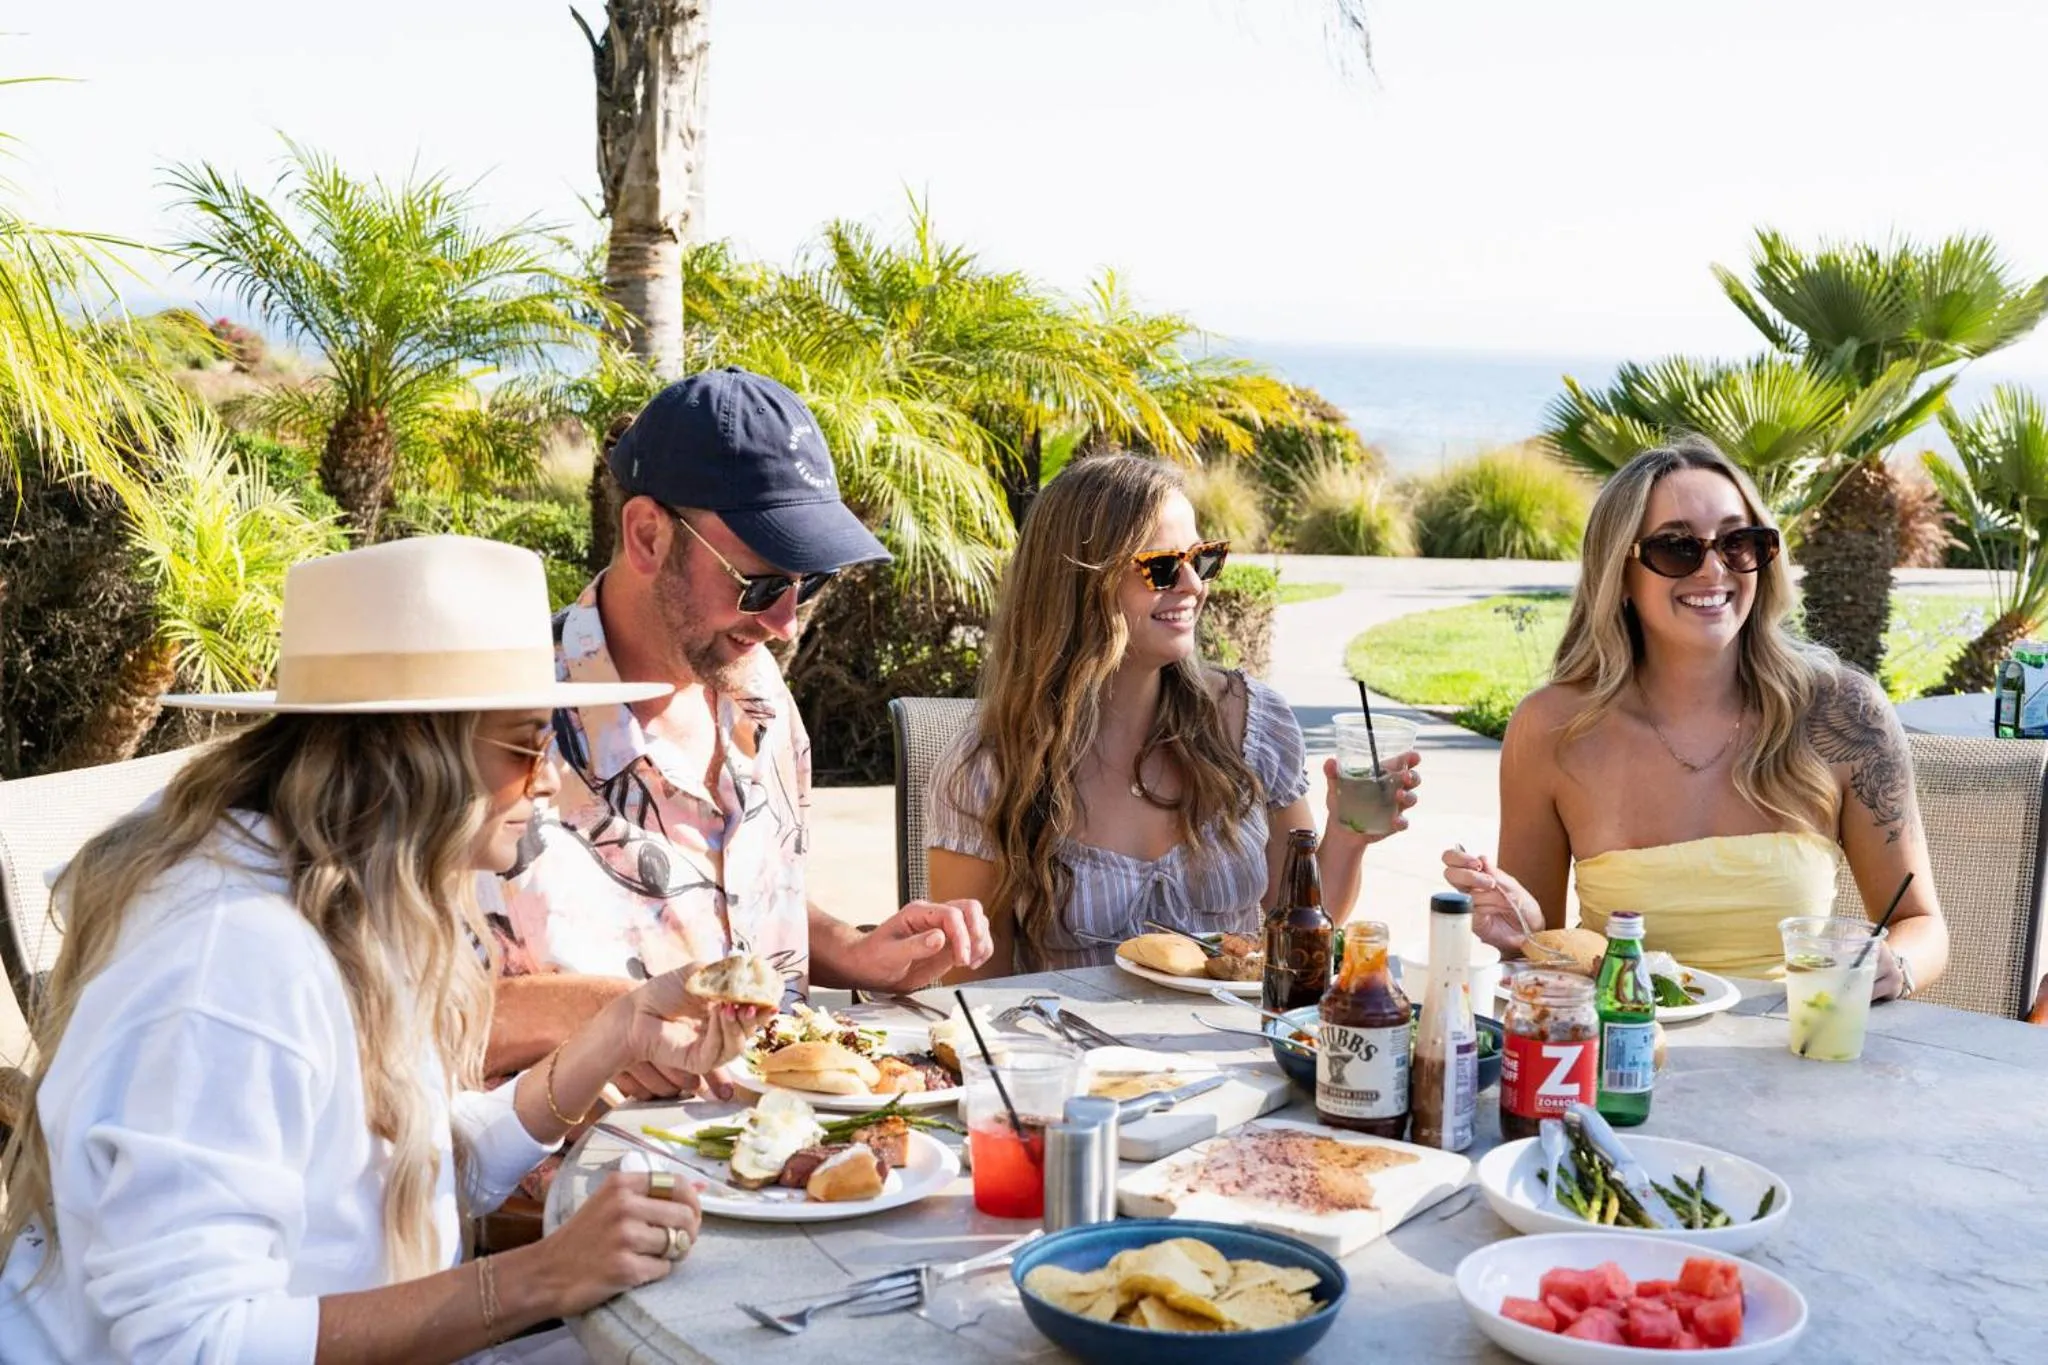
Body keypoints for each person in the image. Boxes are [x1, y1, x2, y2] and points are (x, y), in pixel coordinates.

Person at [0, 536, 773, 1363]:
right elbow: (188, 1340)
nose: (548, 779)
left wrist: (617, 1034)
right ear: (413, 752)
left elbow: (413, 1171)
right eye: (524, 743)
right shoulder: (235, 960)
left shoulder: (341, 897)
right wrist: (538, 1277)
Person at [484, 368, 993, 1093]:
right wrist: (615, 1019)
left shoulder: (758, 691)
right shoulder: (499, 726)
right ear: (647, 535)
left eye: (807, 583)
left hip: (792, 1154)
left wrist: (853, 949)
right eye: (757, 583)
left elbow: (730, 908)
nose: (786, 622)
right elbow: (402, 1017)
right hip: (597, 1180)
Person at [1441, 437, 1948, 998]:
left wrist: (1892, 965)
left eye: (1739, 543)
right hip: (1625, 1054)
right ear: (1621, 574)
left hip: (1799, 1051)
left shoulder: (1840, 713)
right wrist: (1520, 936)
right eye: (1679, 548)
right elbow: (1543, 948)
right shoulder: (1553, 727)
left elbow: (1922, 925)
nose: (1713, 570)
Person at [925, 452, 1422, 977]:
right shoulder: (990, 769)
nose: (1193, 584)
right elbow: (976, 993)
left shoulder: (1252, 725)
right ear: (1076, 586)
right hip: (1071, 1052)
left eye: (1203, 558)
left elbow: (1299, 940)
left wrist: (1346, 838)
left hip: (1232, 1048)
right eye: (1161, 566)